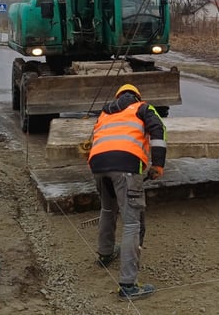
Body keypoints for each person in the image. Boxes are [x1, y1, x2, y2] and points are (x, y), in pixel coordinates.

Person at [88, 83, 167, 301]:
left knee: (107, 209)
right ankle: (128, 285)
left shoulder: (105, 112)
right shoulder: (143, 108)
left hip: (98, 165)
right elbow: (158, 130)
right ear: (137, 97)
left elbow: (95, 138)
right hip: (126, 166)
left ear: (118, 97)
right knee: (132, 223)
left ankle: (105, 254)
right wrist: (158, 164)